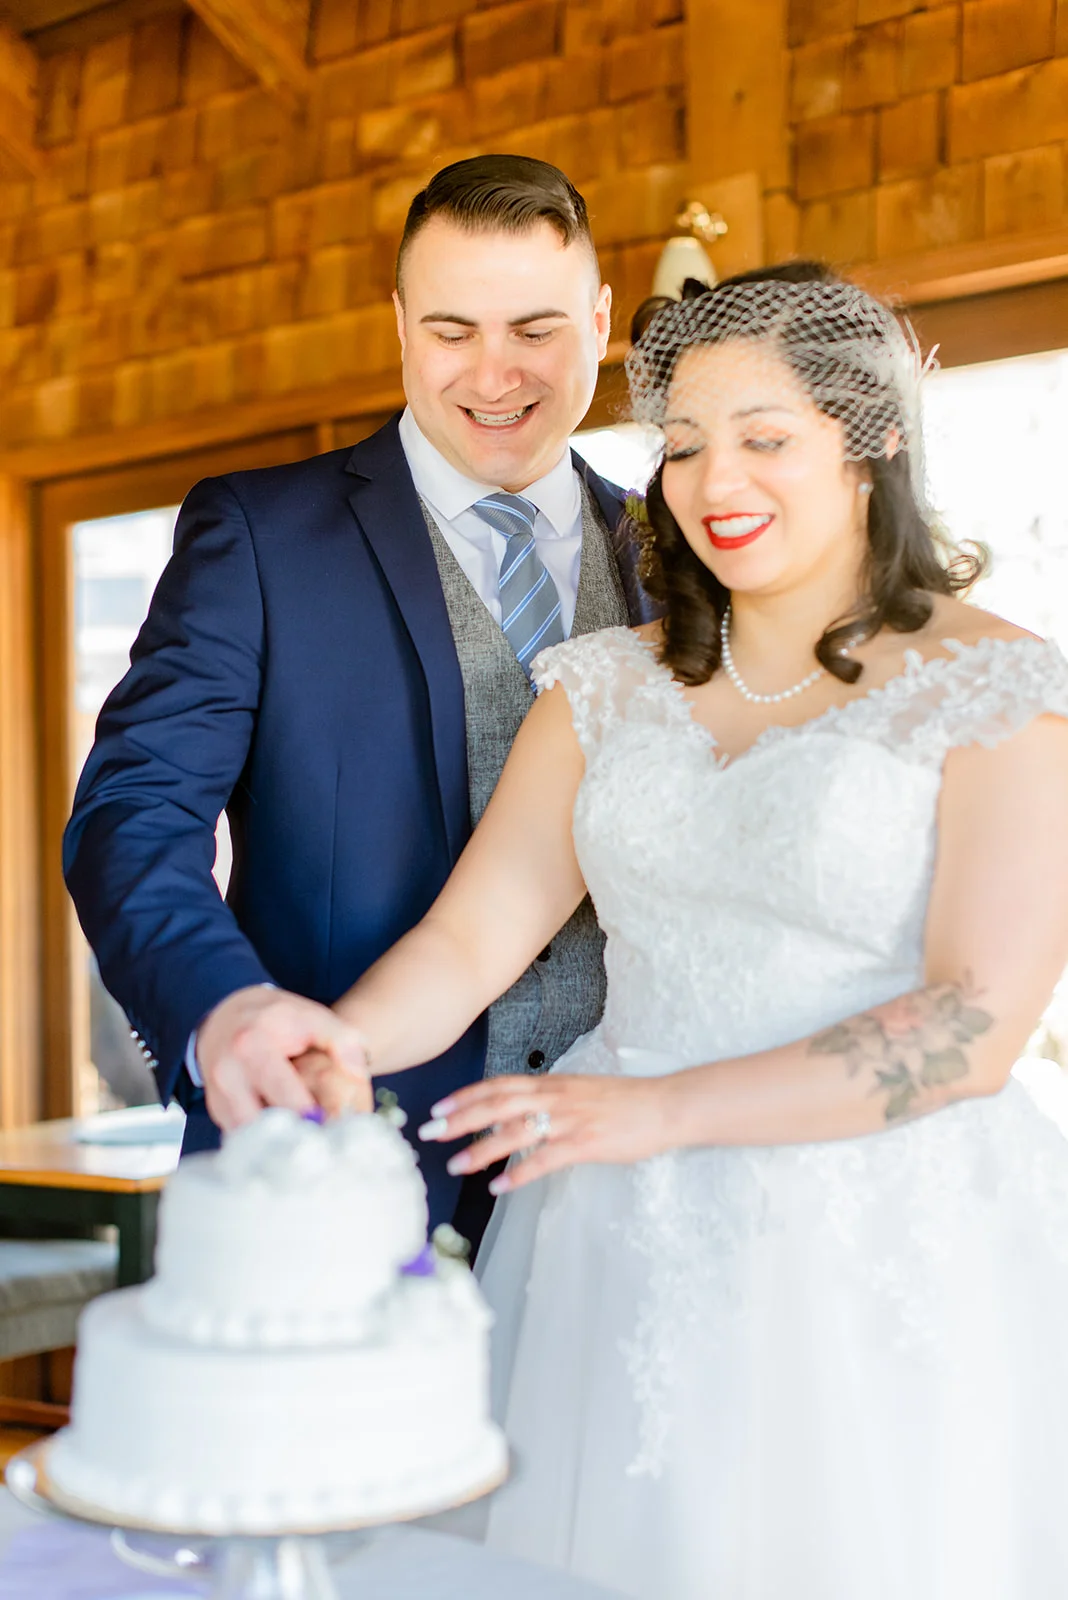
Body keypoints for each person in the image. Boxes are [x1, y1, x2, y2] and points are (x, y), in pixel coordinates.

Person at [319, 262, 1068, 1597]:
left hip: (878, 1235)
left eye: (766, 438)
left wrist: (664, 1113)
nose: (715, 478)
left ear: (874, 439)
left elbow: (974, 1025)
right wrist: (332, 1043)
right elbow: (466, 946)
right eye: (680, 444)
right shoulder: (604, 690)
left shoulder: (1001, 688)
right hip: (612, 1224)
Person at [62, 154, 657, 1230]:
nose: (494, 375)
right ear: (397, 324)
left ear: (601, 317)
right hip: (331, 1161)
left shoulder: (684, 561)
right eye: (451, 331)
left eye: (536, 329)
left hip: (631, 1192)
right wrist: (226, 1008)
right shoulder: (258, 536)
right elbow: (131, 817)